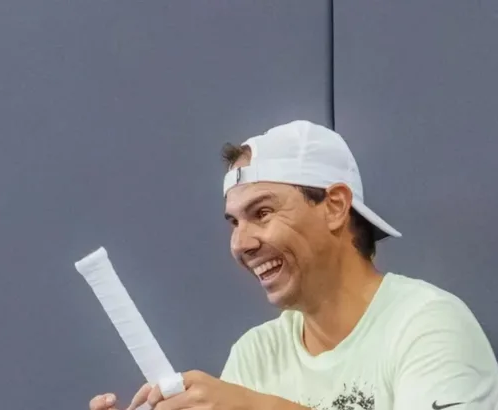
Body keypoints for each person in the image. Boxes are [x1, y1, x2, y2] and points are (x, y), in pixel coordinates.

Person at [89, 120, 498, 410]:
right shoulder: (256, 353)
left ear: (334, 206)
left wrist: (256, 407)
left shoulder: (428, 324)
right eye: (234, 222)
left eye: (262, 213)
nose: (241, 243)